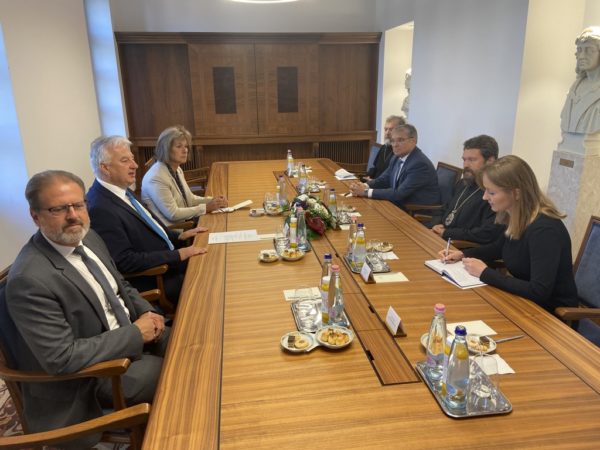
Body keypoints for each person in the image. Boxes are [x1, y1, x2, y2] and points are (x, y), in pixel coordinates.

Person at [4, 170, 169, 449]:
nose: (73, 216)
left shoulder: (89, 238)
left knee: (192, 343)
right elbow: (61, 357)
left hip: (126, 335)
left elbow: (120, 285)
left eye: (78, 205)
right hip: (94, 375)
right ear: (35, 217)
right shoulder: (29, 279)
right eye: (58, 209)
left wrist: (146, 313)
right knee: (178, 373)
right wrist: (135, 334)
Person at [440, 155, 578, 313]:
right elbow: (498, 248)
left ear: (516, 193)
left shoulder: (544, 230)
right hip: (522, 303)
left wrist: (485, 273)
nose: (485, 197)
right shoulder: (516, 216)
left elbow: (539, 291)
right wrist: (463, 254)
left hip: (551, 315)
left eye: (491, 192)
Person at [87, 135, 207, 304]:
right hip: (159, 277)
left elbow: (149, 224)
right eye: (125, 161)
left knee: (215, 257)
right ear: (105, 168)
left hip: (170, 259)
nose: (135, 165)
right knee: (211, 279)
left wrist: (179, 236)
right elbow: (125, 261)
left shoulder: (120, 189)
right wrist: (178, 255)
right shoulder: (100, 207)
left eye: (132, 159)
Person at [141, 125, 227, 227]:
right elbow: (173, 214)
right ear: (166, 149)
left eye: (186, 146)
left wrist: (213, 200)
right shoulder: (156, 178)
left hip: (186, 222)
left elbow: (189, 199)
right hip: (177, 230)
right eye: (179, 146)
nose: (185, 150)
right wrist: (206, 208)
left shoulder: (176, 168)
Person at [430, 134, 505, 243]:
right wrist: (437, 224)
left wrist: (447, 233)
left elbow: (486, 233)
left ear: (490, 161)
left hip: (460, 246)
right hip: (441, 239)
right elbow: (445, 208)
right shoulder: (463, 183)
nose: (465, 165)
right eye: (464, 159)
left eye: (472, 160)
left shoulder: (494, 194)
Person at [349, 124, 440, 211]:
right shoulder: (396, 157)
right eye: (392, 140)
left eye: (400, 140)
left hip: (416, 212)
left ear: (413, 141)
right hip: (398, 205)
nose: (395, 145)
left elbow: (399, 193)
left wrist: (365, 192)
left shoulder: (419, 164)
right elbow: (384, 179)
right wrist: (364, 185)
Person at [560, 26, 600, 135]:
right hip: (569, 142)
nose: (581, 56)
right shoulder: (575, 87)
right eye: (579, 50)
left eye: (589, 50)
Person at [364, 115, 405, 181]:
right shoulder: (384, 147)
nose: (387, 133)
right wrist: (367, 176)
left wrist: (373, 181)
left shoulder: (401, 152)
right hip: (373, 182)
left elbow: (393, 178)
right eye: (385, 129)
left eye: (391, 129)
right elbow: (375, 168)